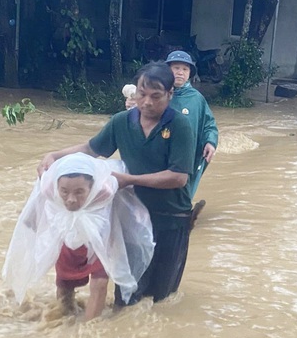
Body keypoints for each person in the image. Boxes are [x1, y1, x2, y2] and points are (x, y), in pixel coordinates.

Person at [38, 62, 195, 306]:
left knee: (160, 298)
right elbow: (92, 149)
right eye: (142, 95)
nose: (147, 103)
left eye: (156, 96)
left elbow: (178, 177)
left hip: (171, 218)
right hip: (131, 216)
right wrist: (55, 156)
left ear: (170, 95)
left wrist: (129, 180)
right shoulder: (122, 121)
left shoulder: (179, 126)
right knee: (128, 293)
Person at [2, 153, 154, 320]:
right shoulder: (48, 188)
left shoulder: (105, 190)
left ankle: (89, 330)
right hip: (67, 238)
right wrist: (30, 223)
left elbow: (126, 199)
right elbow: (34, 210)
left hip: (99, 240)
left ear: (92, 187)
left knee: (100, 283)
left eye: (80, 192)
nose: (71, 199)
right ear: (56, 187)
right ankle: (63, 320)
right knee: (65, 285)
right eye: (64, 192)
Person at [165, 50, 219, 227]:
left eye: (184, 69)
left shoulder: (197, 99)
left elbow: (209, 125)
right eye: (176, 68)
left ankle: (179, 221)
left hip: (188, 156)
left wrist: (210, 142)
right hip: (161, 153)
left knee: (182, 190)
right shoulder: (158, 95)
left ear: (189, 74)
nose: (180, 72)